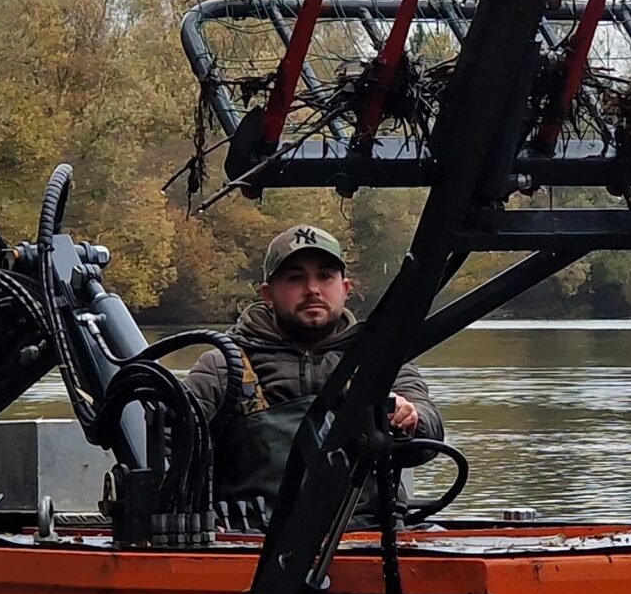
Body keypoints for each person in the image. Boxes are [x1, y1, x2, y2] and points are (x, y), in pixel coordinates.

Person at [181, 224, 443, 528]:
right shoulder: (223, 365)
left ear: (345, 289)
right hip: (252, 544)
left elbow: (429, 436)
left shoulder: (381, 360)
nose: (312, 289)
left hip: (367, 539)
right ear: (269, 293)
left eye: (325, 276)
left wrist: (410, 417)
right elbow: (169, 442)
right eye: (295, 278)